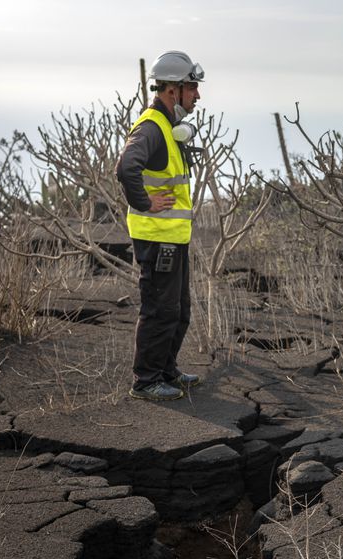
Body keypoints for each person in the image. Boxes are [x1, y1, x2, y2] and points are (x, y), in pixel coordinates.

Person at [116, 51, 204, 401]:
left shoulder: (168, 127)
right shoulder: (152, 127)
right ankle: (146, 381)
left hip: (172, 237)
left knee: (179, 310)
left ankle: (167, 371)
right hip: (157, 239)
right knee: (160, 310)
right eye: (192, 88)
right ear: (173, 90)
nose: (197, 96)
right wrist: (144, 202)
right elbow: (126, 168)